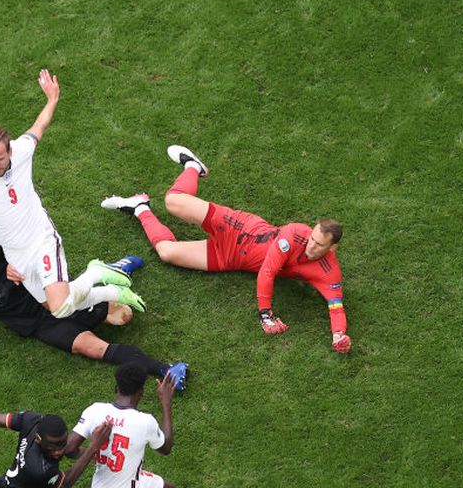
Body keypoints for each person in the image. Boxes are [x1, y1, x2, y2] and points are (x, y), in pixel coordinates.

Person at [0, 69, 143, 318]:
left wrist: (52, 99)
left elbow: (40, 125)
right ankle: (110, 289)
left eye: (0, 159)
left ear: (10, 151)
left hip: (40, 238)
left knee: (61, 306)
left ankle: (99, 276)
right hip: (15, 252)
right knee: (51, 307)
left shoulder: (22, 150)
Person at [101, 145, 352, 353]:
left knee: (166, 252)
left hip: (230, 258)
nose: (311, 244)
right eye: (312, 238)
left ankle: (139, 208)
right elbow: (267, 271)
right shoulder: (296, 233)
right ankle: (193, 167)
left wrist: (338, 336)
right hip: (240, 229)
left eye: (318, 244)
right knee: (173, 201)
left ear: (333, 247)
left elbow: (336, 306)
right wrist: (266, 314)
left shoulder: (329, 272)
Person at [0, 218, 189, 388]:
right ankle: (166, 370)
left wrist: (13, 264)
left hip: (47, 300)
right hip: (36, 326)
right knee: (95, 348)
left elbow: (27, 243)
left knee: (124, 317)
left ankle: (112, 271)